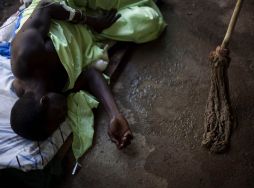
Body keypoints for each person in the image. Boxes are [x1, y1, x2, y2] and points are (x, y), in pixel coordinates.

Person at [10, 0, 166, 149]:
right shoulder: (54, 90)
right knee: (151, 22)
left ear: (44, 102)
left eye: (58, 117)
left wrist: (92, 21)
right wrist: (114, 114)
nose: (64, 117)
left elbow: (46, 7)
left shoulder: (25, 58)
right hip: (89, 34)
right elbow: (91, 75)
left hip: (68, 8)